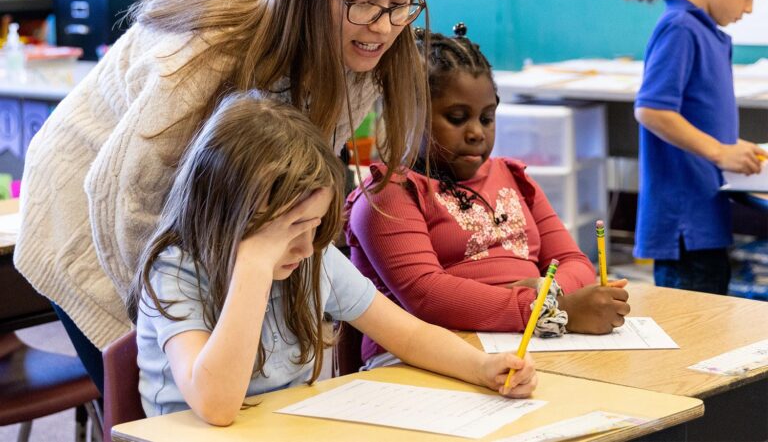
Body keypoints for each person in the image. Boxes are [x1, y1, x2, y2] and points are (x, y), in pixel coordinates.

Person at [14, 0, 430, 393]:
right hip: (85, 214)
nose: (382, 26)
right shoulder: (205, 55)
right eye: (361, 2)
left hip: (191, 224)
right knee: (156, 393)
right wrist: (168, 318)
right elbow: (124, 202)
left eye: (400, 4)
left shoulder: (362, 56)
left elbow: (298, 186)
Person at [129, 94, 538, 424]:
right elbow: (216, 407)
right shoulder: (175, 271)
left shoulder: (309, 259)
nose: (307, 248)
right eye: (292, 229)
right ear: (233, 217)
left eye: (314, 226)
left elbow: (409, 336)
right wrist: (253, 265)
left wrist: (481, 368)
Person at [346, 26, 630, 368]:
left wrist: (546, 295)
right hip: (417, 357)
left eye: (487, 117)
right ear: (407, 112)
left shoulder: (512, 178)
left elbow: (575, 263)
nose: (477, 133)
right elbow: (428, 295)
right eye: (457, 118)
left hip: (525, 339)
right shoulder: (387, 195)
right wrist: (548, 307)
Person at [620, 0, 768, 294]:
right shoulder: (681, 27)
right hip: (683, 227)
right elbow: (651, 109)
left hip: (704, 219)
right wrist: (721, 152)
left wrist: (735, 153)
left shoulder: (704, 32)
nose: (749, 7)